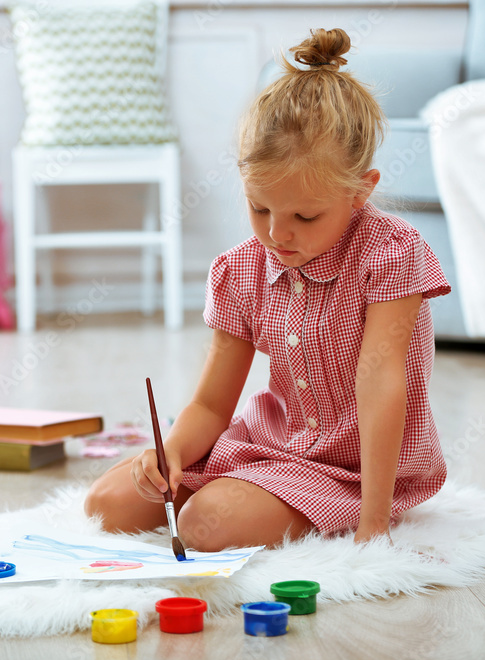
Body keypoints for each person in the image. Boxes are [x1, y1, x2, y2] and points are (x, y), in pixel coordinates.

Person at [84, 27, 451, 551]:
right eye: (260, 209)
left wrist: (375, 523)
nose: (278, 235)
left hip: (353, 464)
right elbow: (212, 407)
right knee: (108, 504)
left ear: (360, 192)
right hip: (270, 442)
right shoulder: (241, 271)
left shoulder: (391, 254)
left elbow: (382, 385)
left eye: (305, 215)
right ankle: (244, 488)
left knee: (206, 523)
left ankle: (296, 505)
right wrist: (171, 453)